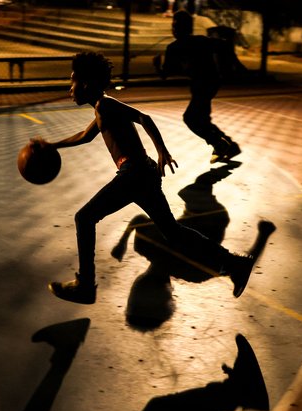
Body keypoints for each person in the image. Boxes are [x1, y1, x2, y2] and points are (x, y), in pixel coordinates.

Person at [30, 52, 255, 305]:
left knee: (84, 218)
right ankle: (235, 264)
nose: (69, 88)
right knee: (173, 232)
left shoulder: (106, 104)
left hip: (134, 173)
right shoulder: (101, 108)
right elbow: (84, 135)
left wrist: (162, 150)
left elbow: (143, 118)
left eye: (72, 82)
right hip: (143, 175)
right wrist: (52, 146)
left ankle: (85, 285)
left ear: (86, 83)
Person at [154, 10, 241, 164]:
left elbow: (165, 74)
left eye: (177, 26)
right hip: (207, 83)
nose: (174, 30)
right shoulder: (189, 44)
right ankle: (229, 146)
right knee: (202, 119)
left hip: (206, 83)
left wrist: (157, 66)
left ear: (183, 28)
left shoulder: (183, 45)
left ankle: (220, 144)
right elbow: (224, 44)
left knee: (190, 119)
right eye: (174, 26)